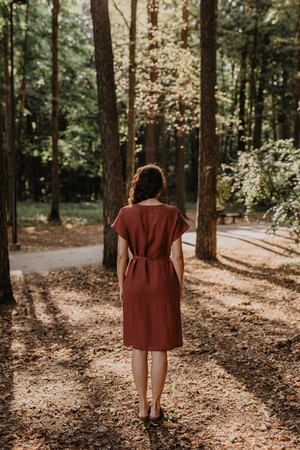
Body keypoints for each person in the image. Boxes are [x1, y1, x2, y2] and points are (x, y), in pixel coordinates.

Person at [111, 164, 189, 423]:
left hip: (135, 279)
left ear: (139, 185)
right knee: (160, 346)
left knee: (139, 344)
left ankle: (142, 406)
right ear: (159, 186)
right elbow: (177, 256)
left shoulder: (126, 213)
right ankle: (156, 407)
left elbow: (122, 255)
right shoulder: (172, 213)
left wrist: (122, 286)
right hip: (163, 278)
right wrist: (178, 288)